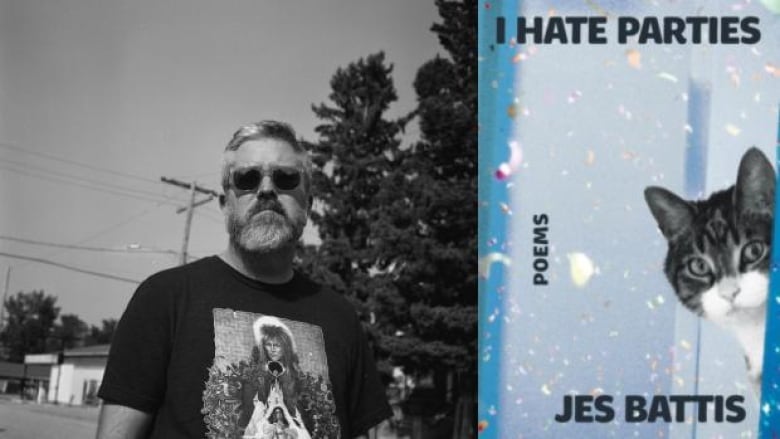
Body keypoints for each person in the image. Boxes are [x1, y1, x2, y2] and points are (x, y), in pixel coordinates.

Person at [96, 120, 392, 438]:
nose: (266, 189)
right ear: (226, 204)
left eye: (286, 178)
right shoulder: (164, 298)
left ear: (308, 204)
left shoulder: (341, 318)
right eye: (248, 179)